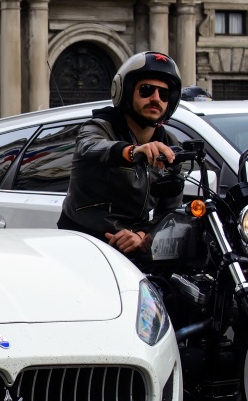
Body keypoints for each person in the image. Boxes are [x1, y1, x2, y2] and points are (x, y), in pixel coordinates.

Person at [58, 51, 184, 256]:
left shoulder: (168, 143)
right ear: (125, 91)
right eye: (146, 90)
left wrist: (143, 235)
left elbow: (170, 211)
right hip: (85, 244)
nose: (156, 99)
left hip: (135, 248)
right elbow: (90, 148)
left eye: (164, 94)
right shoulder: (98, 128)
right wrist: (134, 152)